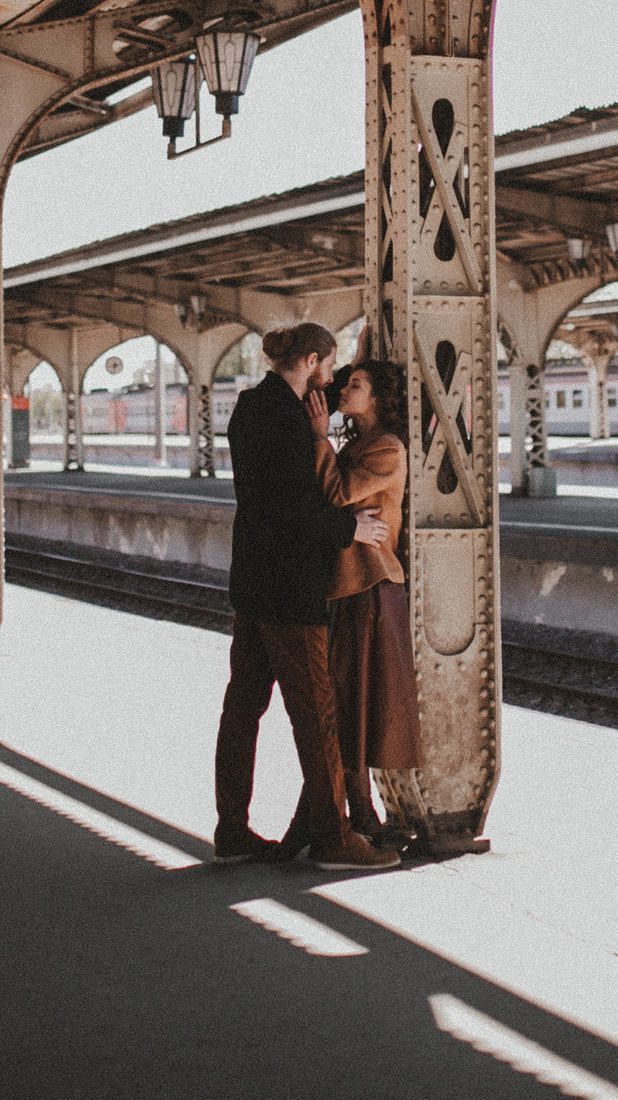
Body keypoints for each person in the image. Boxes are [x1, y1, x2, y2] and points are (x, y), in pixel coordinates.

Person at [211, 323, 402, 871]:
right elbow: (293, 506)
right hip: (289, 587)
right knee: (316, 714)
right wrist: (351, 532)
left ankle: (231, 829)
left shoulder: (254, 405)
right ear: (312, 360)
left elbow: (271, 499)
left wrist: (365, 354)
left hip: (250, 584)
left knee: (243, 707)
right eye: (329, 366)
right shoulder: (288, 419)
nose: (333, 379)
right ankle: (332, 838)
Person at [310, 359, 421, 846]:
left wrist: (318, 437)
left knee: (353, 706)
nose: (343, 389)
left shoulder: (387, 450)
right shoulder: (357, 445)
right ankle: (350, 814)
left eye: (355, 385)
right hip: (351, 586)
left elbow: (335, 493)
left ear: (376, 399)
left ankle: (362, 816)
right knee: (345, 704)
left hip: (369, 586)